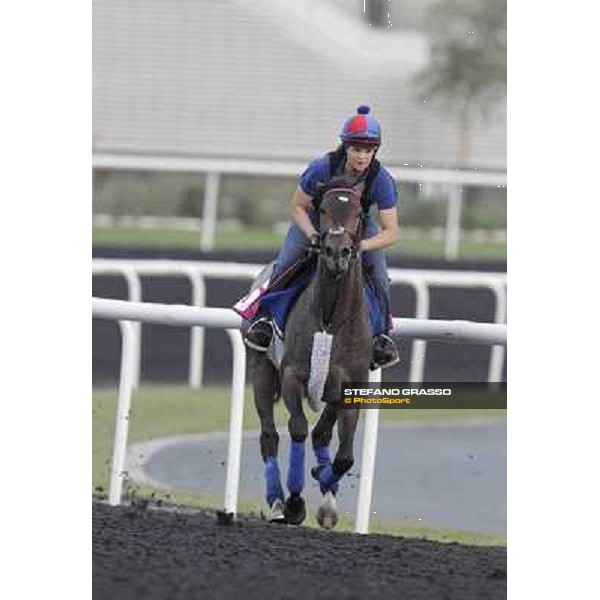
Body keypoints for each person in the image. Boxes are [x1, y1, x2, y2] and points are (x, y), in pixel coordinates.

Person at [244, 104, 400, 369]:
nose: (362, 157)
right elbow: (297, 206)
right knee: (286, 263)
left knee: (380, 277)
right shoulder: (322, 168)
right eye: (357, 149)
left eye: (368, 150)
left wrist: (359, 245)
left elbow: (392, 231)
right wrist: (312, 234)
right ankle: (264, 322)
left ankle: (381, 338)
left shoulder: (381, 179)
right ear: (345, 147)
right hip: (318, 221)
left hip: (358, 228)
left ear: (375, 151)